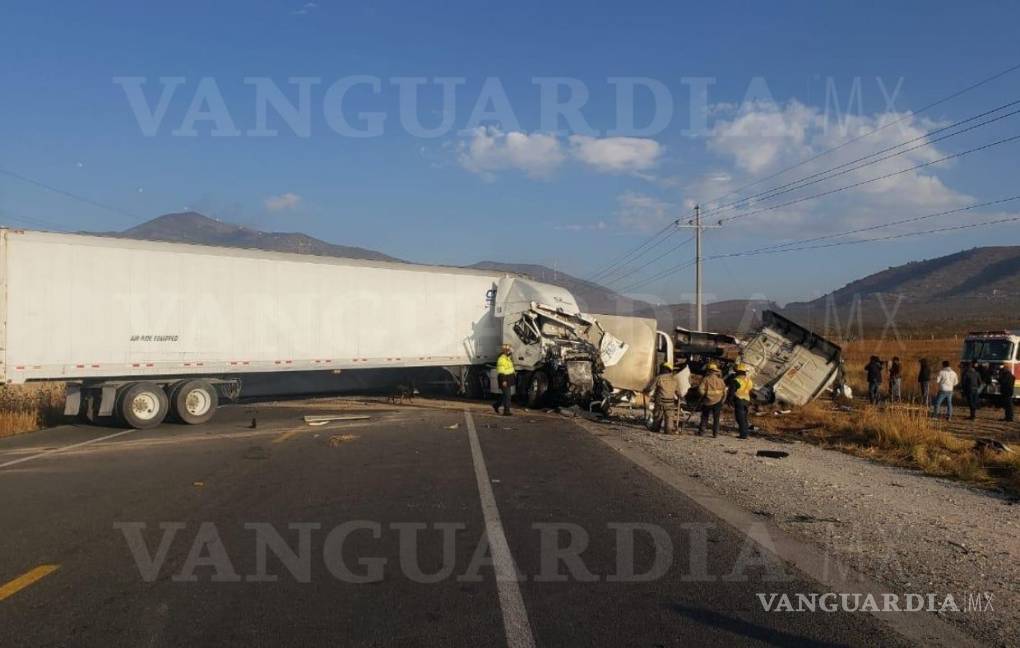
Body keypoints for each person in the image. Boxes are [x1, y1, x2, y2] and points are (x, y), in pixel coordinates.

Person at [697, 363, 727, 438]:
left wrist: (704, 395)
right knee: (716, 418)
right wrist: (723, 400)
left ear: (709, 371)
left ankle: (701, 432)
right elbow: (724, 392)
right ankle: (715, 433)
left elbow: (700, 389)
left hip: (707, 401)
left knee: (705, 416)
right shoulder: (721, 380)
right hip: (718, 401)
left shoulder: (706, 379)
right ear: (715, 371)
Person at [651, 363, 681, 434]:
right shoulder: (675, 379)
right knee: (669, 417)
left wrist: (644, 389)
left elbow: (651, 388)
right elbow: (678, 392)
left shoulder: (659, 378)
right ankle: (668, 430)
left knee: (658, 416)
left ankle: (656, 429)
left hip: (660, 401)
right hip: (670, 402)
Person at [728, 363, 753, 439]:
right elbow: (750, 390)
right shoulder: (749, 380)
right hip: (747, 400)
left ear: (738, 371)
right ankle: (746, 433)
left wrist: (730, 401)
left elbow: (731, 392)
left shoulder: (736, 380)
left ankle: (743, 435)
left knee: (740, 418)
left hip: (739, 400)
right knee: (744, 418)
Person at [492, 344, 515, 416]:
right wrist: (503, 380)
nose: (510, 352)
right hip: (504, 379)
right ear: (505, 351)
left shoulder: (508, 358)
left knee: (505, 395)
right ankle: (506, 411)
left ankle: (496, 405)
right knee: (507, 396)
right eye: (508, 351)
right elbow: (501, 371)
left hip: (508, 378)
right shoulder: (501, 359)